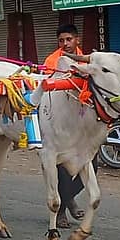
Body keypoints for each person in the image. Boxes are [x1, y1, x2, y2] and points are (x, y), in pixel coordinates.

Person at [42, 24, 96, 228]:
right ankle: (63, 210)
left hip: (82, 119)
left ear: (77, 40)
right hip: (59, 120)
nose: (65, 44)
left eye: (69, 39)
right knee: (62, 167)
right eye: (61, 41)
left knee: (92, 164)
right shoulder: (52, 60)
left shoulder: (87, 59)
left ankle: (68, 199)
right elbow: (50, 88)